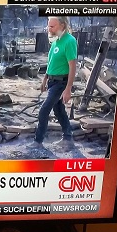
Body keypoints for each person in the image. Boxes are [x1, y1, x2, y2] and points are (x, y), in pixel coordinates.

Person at [28, 16, 77, 150]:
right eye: (49, 26)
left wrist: (68, 89)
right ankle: (68, 138)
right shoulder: (55, 42)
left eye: (52, 26)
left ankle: (38, 141)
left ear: (62, 25)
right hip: (52, 81)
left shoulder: (69, 41)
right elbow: (51, 63)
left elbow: (73, 66)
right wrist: (45, 80)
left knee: (44, 110)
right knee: (59, 110)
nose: (49, 29)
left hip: (61, 83)